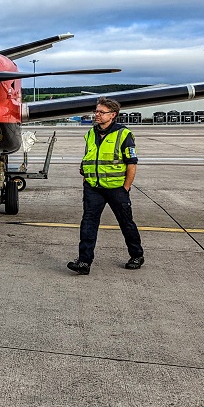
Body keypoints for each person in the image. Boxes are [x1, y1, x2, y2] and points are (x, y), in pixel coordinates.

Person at [67, 97, 145, 275]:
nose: (97, 115)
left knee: (126, 223)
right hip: (93, 187)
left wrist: (125, 187)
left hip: (116, 188)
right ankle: (84, 262)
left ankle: (136, 255)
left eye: (101, 112)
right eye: (96, 111)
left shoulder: (124, 134)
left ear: (113, 115)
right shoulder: (90, 133)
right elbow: (89, 156)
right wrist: (85, 173)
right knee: (88, 223)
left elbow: (131, 164)